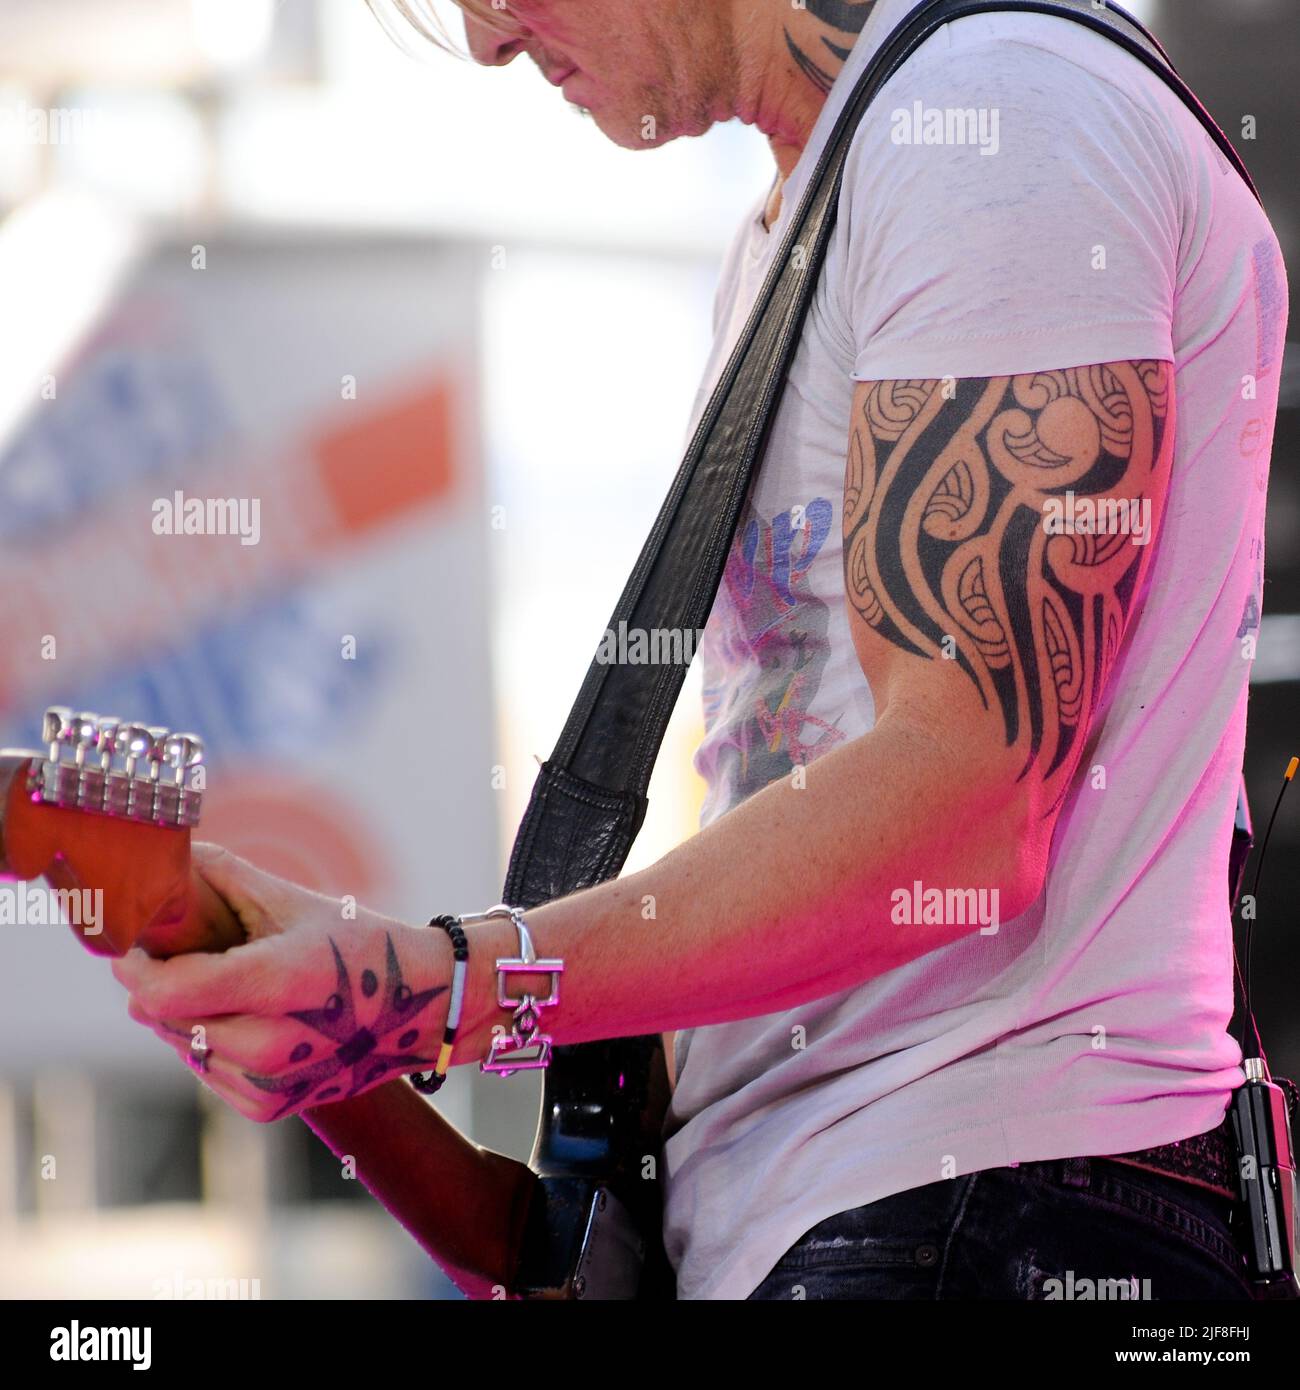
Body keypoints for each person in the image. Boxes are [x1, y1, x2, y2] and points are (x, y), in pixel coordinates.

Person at [115, 0, 1289, 1300]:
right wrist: (336, 1034)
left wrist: (442, 987)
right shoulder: (806, 221)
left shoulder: (1000, 109)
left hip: (988, 1191)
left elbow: (964, 808)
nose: (491, 41)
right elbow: (565, 1225)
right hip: (854, 1215)